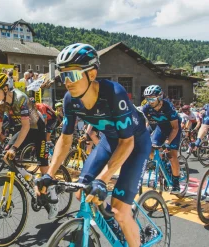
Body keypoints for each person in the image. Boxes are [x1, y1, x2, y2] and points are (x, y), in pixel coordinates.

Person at [34, 43, 150, 246]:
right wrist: (48, 174)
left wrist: (103, 179)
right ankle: (113, 226)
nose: (67, 82)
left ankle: (126, 226)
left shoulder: (114, 93)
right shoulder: (70, 99)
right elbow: (66, 138)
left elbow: (127, 142)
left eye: (73, 75)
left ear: (92, 74)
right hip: (110, 141)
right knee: (82, 192)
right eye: (63, 75)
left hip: (135, 143)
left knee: (120, 211)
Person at [0, 73, 58, 218]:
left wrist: (15, 147)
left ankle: (53, 199)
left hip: (37, 128)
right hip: (23, 128)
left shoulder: (20, 98)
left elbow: (26, 126)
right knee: (6, 156)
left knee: (43, 165)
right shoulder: (0, 104)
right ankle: (30, 177)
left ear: (5, 88)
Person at [141, 85, 182, 194]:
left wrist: (168, 142)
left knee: (172, 156)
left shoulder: (168, 107)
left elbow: (175, 127)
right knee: (150, 148)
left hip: (173, 129)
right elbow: (150, 125)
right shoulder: (146, 109)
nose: (150, 101)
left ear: (159, 97)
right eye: (147, 99)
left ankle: (176, 183)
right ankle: (163, 163)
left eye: (152, 98)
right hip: (160, 128)